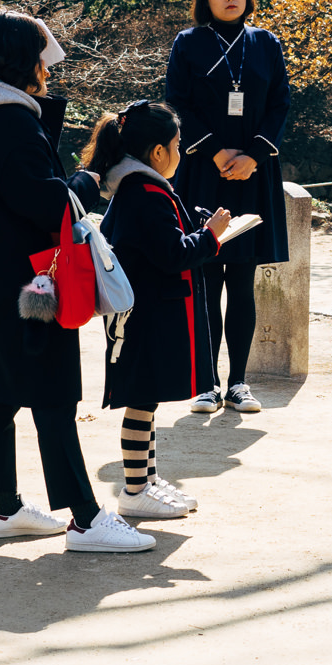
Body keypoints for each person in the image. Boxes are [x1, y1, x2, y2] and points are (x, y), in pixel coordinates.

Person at [0, 10, 155, 553]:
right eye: (41, 57)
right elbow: (43, 203)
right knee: (54, 393)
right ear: (20, 60)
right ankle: (86, 518)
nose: (47, 67)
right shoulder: (10, 121)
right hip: (32, 280)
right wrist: (85, 179)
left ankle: (6, 505)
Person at [84, 101, 229, 520]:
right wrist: (212, 237)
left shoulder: (137, 186)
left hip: (143, 311)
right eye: (178, 144)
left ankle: (146, 480)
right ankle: (134, 489)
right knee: (141, 401)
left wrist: (202, 227)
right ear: (159, 152)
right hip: (144, 316)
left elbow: (160, 239)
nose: (181, 152)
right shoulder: (145, 191)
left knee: (145, 402)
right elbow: (171, 254)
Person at [164, 0, 290, 415]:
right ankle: (205, 382)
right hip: (202, 168)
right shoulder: (189, 42)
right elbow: (176, 101)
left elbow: (280, 102)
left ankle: (238, 382)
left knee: (242, 280)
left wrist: (253, 155)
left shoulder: (265, 43)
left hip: (254, 173)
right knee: (203, 278)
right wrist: (217, 152)